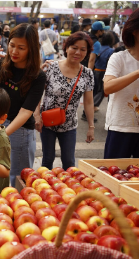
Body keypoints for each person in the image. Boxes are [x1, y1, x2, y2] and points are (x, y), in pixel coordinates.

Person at [0, 23, 46, 187]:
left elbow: (26, 111)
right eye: (12, 45)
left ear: (32, 49)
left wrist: (2, 135)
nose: (14, 51)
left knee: (18, 180)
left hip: (20, 131)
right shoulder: (3, 64)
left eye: (21, 48)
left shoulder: (37, 76)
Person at [103, 4, 139, 159]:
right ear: (134, 29)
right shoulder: (119, 58)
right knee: (114, 177)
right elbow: (108, 87)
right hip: (120, 129)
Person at [35, 31, 95, 170]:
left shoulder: (87, 74)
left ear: (87, 52)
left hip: (69, 124)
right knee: (47, 159)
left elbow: (88, 102)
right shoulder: (51, 67)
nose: (77, 52)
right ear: (66, 47)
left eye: (82, 49)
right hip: (47, 122)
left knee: (69, 161)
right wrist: (36, 115)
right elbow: (38, 93)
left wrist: (91, 127)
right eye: (74, 47)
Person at [81, 21, 108, 122]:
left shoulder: (85, 36)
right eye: (103, 30)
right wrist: (89, 73)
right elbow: (92, 59)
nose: (104, 32)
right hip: (86, 69)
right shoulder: (96, 43)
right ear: (99, 31)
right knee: (91, 92)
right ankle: (86, 114)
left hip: (78, 67)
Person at [92, 32, 115, 112]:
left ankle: (93, 105)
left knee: (95, 90)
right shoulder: (111, 50)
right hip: (104, 72)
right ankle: (91, 106)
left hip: (96, 71)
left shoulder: (99, 47)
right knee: (102, 91)